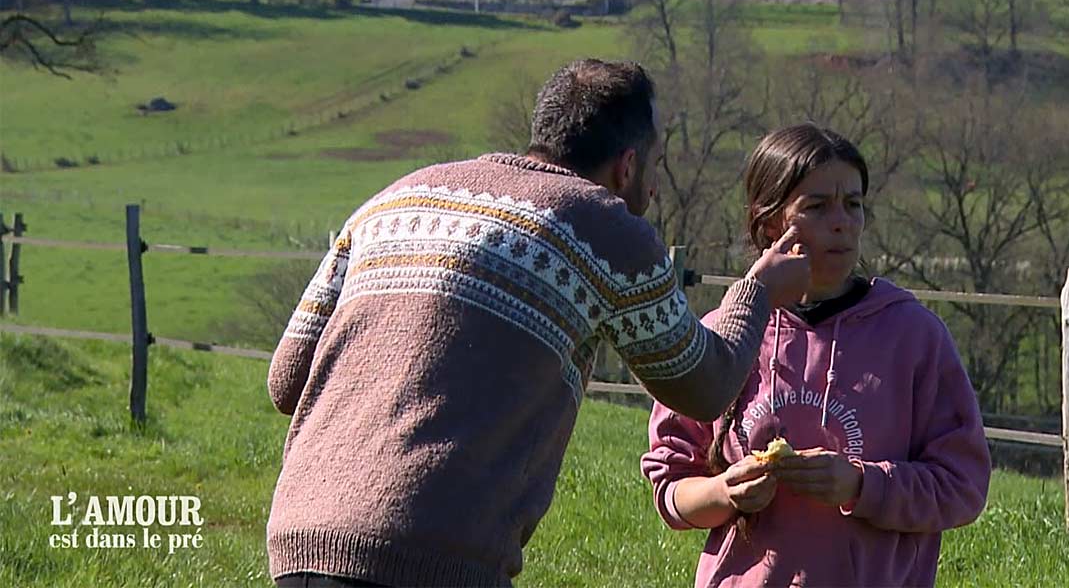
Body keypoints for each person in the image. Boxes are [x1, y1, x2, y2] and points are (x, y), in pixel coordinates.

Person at [266, 59, 813, 587]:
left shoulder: (395, 198)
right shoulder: (605, 228)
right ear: (627, 165)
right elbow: (706, 387)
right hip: (434, 551)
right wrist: (759, 291)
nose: (653, 187)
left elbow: (287, 381)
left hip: (299, 534)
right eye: (654, 164)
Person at [641, 124, 991, 588]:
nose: (842, 221)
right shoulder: (723, 334)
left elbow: (962, 486)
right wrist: (724, 491)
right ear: (770, 223)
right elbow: (671, 488)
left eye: (853, 204)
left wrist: (861, 485)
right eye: (817, 206)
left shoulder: (914, 337)